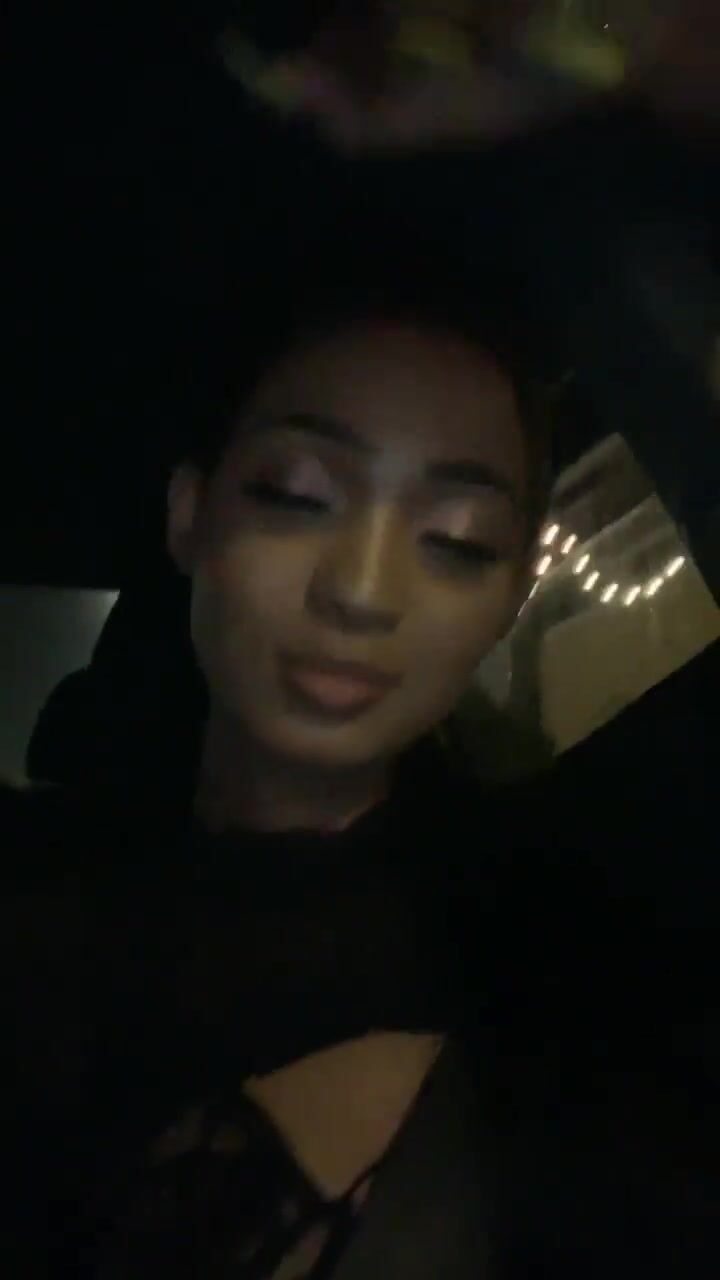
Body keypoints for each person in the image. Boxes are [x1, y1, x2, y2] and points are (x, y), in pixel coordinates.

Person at [1, 244, 554, 1278]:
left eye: (459, 540)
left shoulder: (545, 990)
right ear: (189, 516)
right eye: (296, 494)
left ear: (512, 596)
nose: (362, 591)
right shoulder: (38, 879)